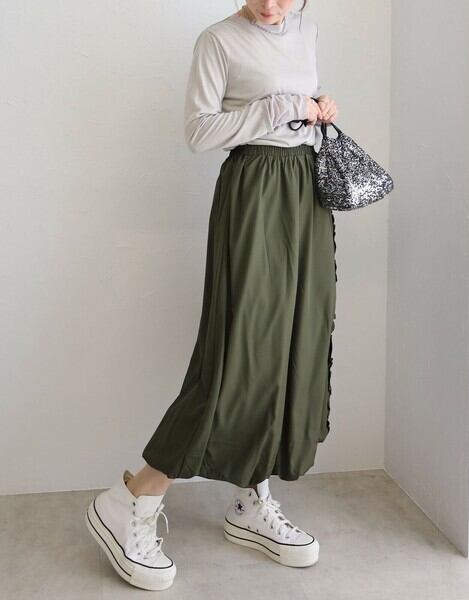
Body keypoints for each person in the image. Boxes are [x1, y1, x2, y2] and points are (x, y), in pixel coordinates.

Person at [85, 0, 338, 591]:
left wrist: (318, 107)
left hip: (306, 190)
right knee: (238, 351)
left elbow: (296, 103)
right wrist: (282, 107)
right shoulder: (217, 41)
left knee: (293, 340)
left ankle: (251, 498)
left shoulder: (307, 29)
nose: (271, 6)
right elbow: (199, 131)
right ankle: (132, 498)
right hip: (254, 193)